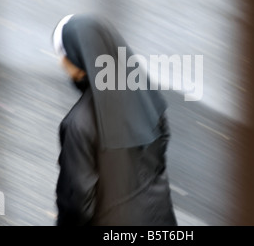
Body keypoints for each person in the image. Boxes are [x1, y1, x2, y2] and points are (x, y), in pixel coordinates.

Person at [51, 14, 177, 226]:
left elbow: (77, 203)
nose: (60, 61)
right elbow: (161, 143)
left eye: (63, 53)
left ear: (80, 58)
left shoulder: (78, 125)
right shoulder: (143, 93)